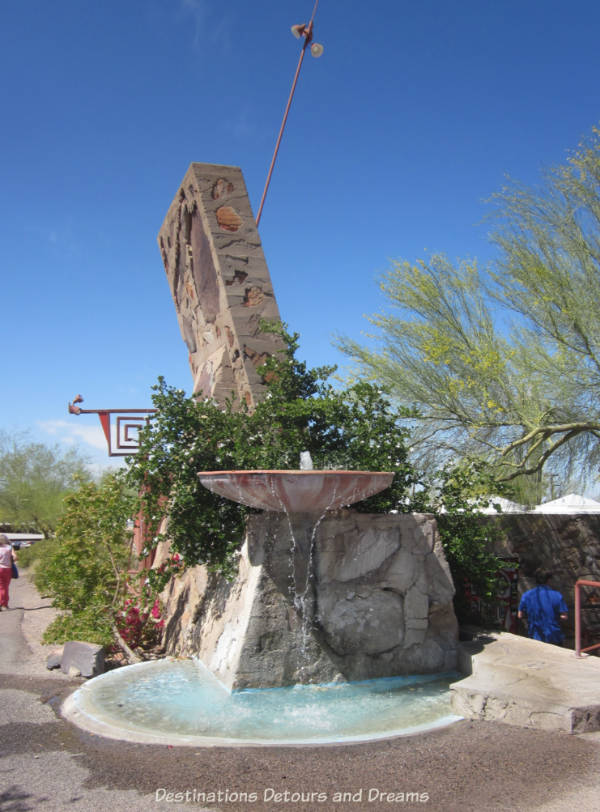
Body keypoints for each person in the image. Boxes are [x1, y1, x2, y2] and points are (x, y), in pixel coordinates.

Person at [518, 570, 568, 644]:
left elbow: (520, 615)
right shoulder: (557, 595)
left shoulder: (526, 595)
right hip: (554, 635)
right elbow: (564, 616)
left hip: (535, 634)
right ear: (548, 580)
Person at [0, 534, 17, 610]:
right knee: (4, 587)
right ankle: (4, 604)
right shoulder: (9, 547)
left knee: (1, 587)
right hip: (7, 569)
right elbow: (15, 558)